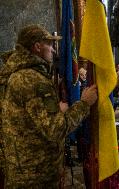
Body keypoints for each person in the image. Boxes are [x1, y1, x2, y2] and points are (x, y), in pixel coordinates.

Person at [0, 24, 97, 188]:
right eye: (50, 45)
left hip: (19, 169)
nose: (53, 50)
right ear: (37, 46)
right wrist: (84, 104)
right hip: (38, 175)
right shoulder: (33, 80)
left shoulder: (12, 73)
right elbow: (56, 129)